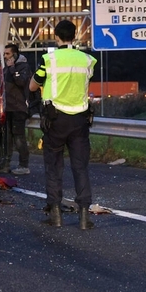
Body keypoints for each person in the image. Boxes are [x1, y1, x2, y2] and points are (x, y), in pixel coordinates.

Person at [29, 20, 97, 230]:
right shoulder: (87, 60)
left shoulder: (49, 60)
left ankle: (55, 214)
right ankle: (84, 217)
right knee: (80, 167)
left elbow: (33, 85)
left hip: (56, 119)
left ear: (56, 37)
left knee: (54, 166)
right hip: (80, 120)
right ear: (74, 36)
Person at [1, 43, 32, 175]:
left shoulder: (23, 66)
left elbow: (21, 82)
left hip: (19, 107)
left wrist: (13, 68)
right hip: (7, 108)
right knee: (7, 138)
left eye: (7, 54)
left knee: (19, 137)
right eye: (4, 54)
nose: (5, 56)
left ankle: (24, 165)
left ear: (14, 54)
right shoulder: (5, 69)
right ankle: (6, 164)